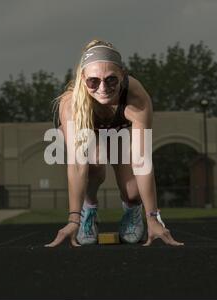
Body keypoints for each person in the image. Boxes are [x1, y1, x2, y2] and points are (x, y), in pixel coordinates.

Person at [45, 40, 183, 247]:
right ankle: (88, 209)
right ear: (82, 78)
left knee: (133, 191)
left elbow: (141, 160)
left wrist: (153, 218)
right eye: (93, 81)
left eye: (111, 80)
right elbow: (77, 165)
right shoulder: (71, 104)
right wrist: (73, 219)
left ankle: (131, 209)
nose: (102, 88)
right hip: (88, 127)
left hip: (118, 127)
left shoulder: (136, 97)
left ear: (123, 75)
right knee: (93, 163)